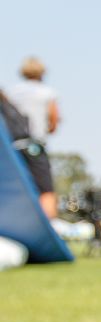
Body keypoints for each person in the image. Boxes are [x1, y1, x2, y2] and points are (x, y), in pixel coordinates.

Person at [4, 56, 60, 218]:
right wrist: (48, 128)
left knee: (16, 189)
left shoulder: (12, 92)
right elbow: (54, 121)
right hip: (34, 145)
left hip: (13, 147)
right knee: (46, 190)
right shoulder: (47, 92)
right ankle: (50, 227)